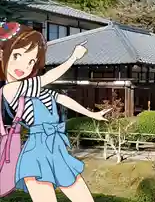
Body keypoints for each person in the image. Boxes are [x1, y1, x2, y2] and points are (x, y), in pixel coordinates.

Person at [0, 22, 110, 202]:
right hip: (35, 153)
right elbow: (46, 78)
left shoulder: (32, 89)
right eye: (17, 55)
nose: (24, 66)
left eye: (31, 61)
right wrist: (73, 58)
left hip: (57, 150)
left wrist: (91, 114)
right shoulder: (11, 89)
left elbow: (60, 98)